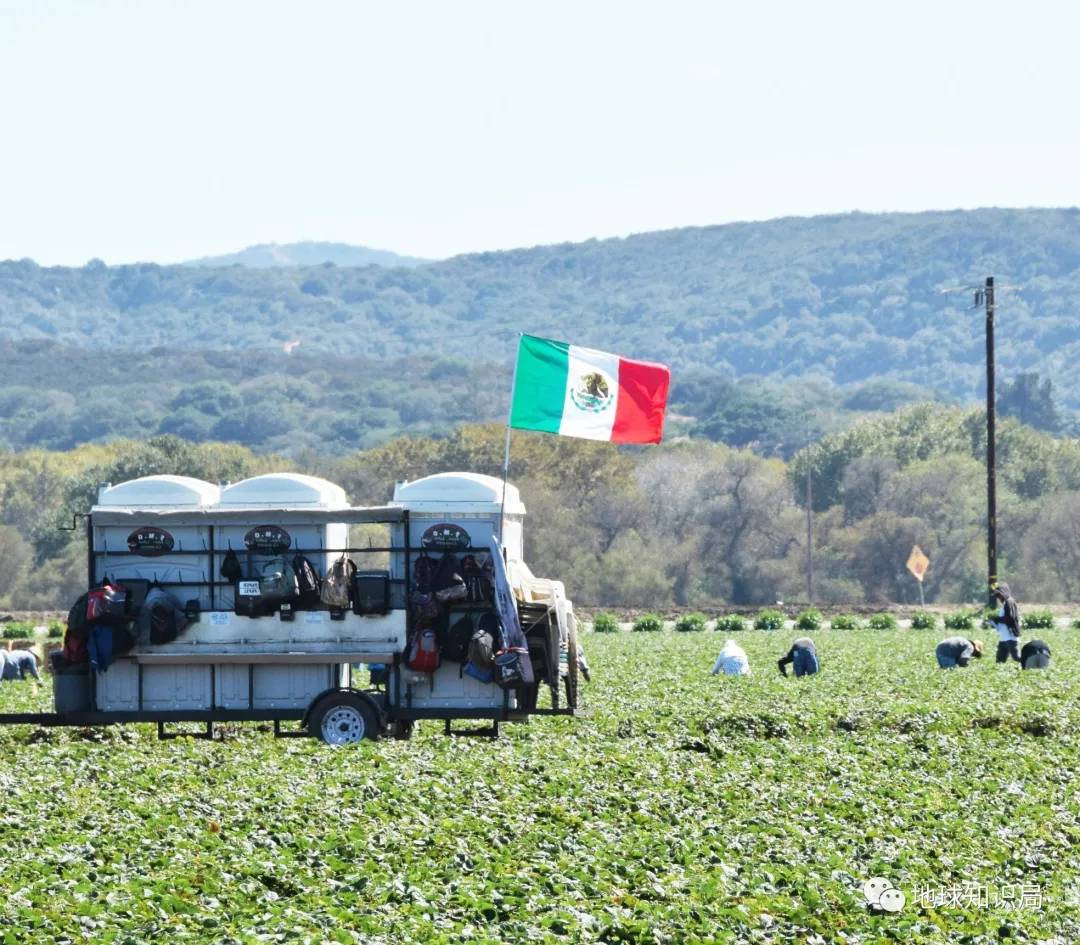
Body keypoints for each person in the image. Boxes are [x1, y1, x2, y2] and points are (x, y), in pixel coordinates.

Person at [989, 582, 1021, 663]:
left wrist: (997, 619)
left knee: (1016, 657)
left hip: (1010, 636)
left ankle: (1031, 663)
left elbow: (1010, 618)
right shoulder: (1004, 603)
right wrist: (995, 620)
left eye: (999, 595)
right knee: (999, 660)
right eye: (997, 596)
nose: (998, 597)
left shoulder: (1009, 602)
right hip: (1003, 637)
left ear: (1004, 592)